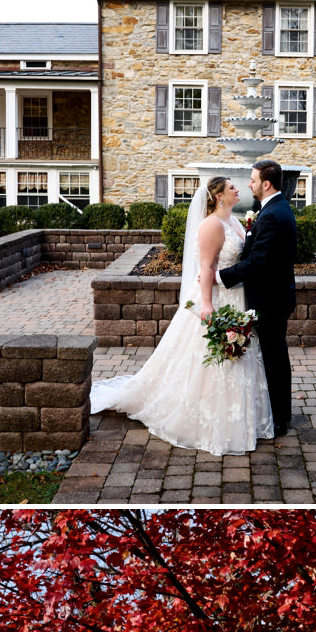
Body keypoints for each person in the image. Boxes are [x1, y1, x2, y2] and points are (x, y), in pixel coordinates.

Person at [87, 174, 276, 453]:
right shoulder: (211, 225)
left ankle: (239, 419)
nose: (239, 189)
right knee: (211, 355)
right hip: (216, 298)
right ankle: (207, 419)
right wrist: (207, 305)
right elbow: (205, 267)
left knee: (238, 354)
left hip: (235, 296)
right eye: (232, 187)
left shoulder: (234, 221)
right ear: (219, 196)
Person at [219, 160, 298, 439]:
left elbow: (259, 262)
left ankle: (279, 420)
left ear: (266, 183)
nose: (249, 184)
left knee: (275, 357)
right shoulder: (274, 209)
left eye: (253, 180)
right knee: (275, 356)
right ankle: (280, 412)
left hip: (270, 298)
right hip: (273, 294)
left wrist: (220, 277)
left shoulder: (274, 214)